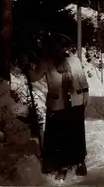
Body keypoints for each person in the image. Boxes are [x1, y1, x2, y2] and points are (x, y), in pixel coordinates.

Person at [20, 33, 89, 180]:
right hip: (64, 103)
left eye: (61, 47)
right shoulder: (50, 61)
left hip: (70, 102)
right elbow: (33, 77)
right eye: (57, 47)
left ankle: (75, 162)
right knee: (66, 133)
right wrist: (26, 66)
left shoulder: (69, 60)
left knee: (71, 133)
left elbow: (82, 80)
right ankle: (69, 163)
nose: (60, 49)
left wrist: (85, 98)